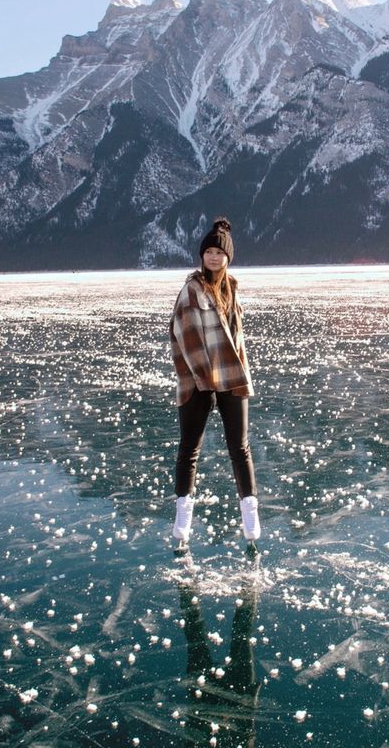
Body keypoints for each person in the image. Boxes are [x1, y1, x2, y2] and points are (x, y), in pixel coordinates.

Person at [168, 217, 260, 543]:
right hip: (198, 380)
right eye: (208, 251)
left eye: (219, 253)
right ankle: (183, 517)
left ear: (228, 257)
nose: (213, 257)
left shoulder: (231, 290)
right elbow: (184, 334)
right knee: (189, 449)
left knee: (240, 447)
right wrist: (203, 378)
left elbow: (236, 339)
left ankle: (250, 517)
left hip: (232, 376)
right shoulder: (191, 290)